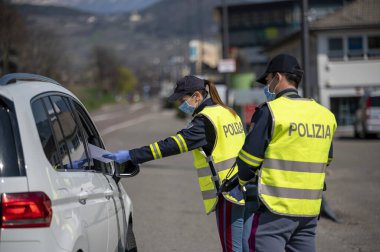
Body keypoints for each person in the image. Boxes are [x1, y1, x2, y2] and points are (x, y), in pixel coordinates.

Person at [104, 75, 248, 251]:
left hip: (228, 193)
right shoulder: (228, 112)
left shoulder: (205, 120)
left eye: (182, 99)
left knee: (233, 249)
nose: (181, 104)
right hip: (244, 188)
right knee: (244, 246)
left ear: (197, 96)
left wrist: (132, 155)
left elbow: (170, 146)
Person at [236, 54, 336, 252]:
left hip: (275, 209)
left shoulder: (270, 112)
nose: (267, 86)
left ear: (278, 77)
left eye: (268, 80)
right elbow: (327, 158)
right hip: (309, 211)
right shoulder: (325, 115)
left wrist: (237, 183)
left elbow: (248, 162)